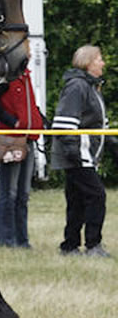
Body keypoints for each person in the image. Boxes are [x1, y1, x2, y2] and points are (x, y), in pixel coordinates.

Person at [51, 45, 113, 257]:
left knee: (77, 201)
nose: (103, 63)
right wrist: (73, 153)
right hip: (78, 155)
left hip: (85, 154)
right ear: (88, 63)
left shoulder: (91, 87)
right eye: (99, 59)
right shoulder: (77, 86)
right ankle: (93, 245)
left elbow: (99, 126)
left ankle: (69, 246)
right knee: (97, 196)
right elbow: (64, 123)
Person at [0, 55, 45, 248]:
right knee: (9, 192)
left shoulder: (25, 76)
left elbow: (28, 106)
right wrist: (13, 121)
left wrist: (40, 122)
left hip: (28, 140)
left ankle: (22, 239)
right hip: (11, 140)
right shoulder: (3, 76)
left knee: (23, 194)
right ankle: (6, 240)